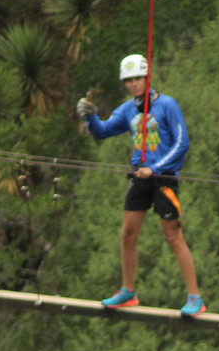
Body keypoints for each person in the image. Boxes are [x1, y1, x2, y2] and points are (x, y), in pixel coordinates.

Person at [76, 54, 205, 316]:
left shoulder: (168, 105)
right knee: (127, 234)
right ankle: (128, 291)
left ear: (147, 78)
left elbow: (182, 144)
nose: (134, 84)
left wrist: (155, 169)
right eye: (129, 80)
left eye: (138, 78)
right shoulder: (127, 110)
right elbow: (102, 131)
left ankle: (195, 297)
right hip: (140, 177)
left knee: (173, 235)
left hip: (163, 178)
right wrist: (90, 116)